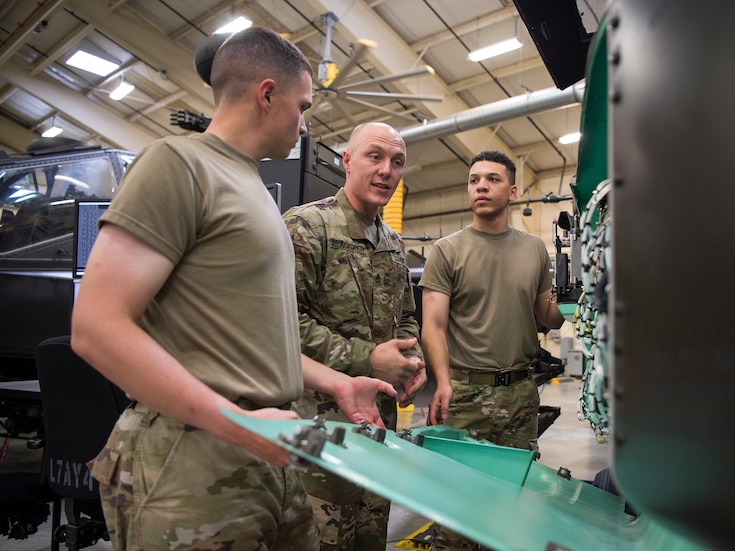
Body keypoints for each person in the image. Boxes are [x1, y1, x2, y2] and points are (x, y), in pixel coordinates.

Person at [71, 27, 395, 551]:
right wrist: (234, 421)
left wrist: (335, 381)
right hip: (194, 458)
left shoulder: (254, 189)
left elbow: (249, 339)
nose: (305, 123)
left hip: (268, 447)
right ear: (267, 95)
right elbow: (95, 327)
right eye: (302, 106)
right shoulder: (178, 165)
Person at [282, 122, 426, 551]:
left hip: (378, 426)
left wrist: (411, 360)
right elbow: (284, 324)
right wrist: (368, 358)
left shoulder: (394, 244)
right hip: (321, 429)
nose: (386, 171)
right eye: (374, 157)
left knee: (369, 535)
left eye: (396, 163)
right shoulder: (307, 227)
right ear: (347, 161)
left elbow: (406, 317)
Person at [418, 150, 565, 550]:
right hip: (466, 395)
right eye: (474, 180)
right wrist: (443, 383)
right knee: (457, 512)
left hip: (520, 393)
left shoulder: (534, 250)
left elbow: (548, 317)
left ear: (513, 191)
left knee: (512, 505)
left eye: (492, 179)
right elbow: (432, 325)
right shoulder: (447, 251)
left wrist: (572, 299)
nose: (481, 186)